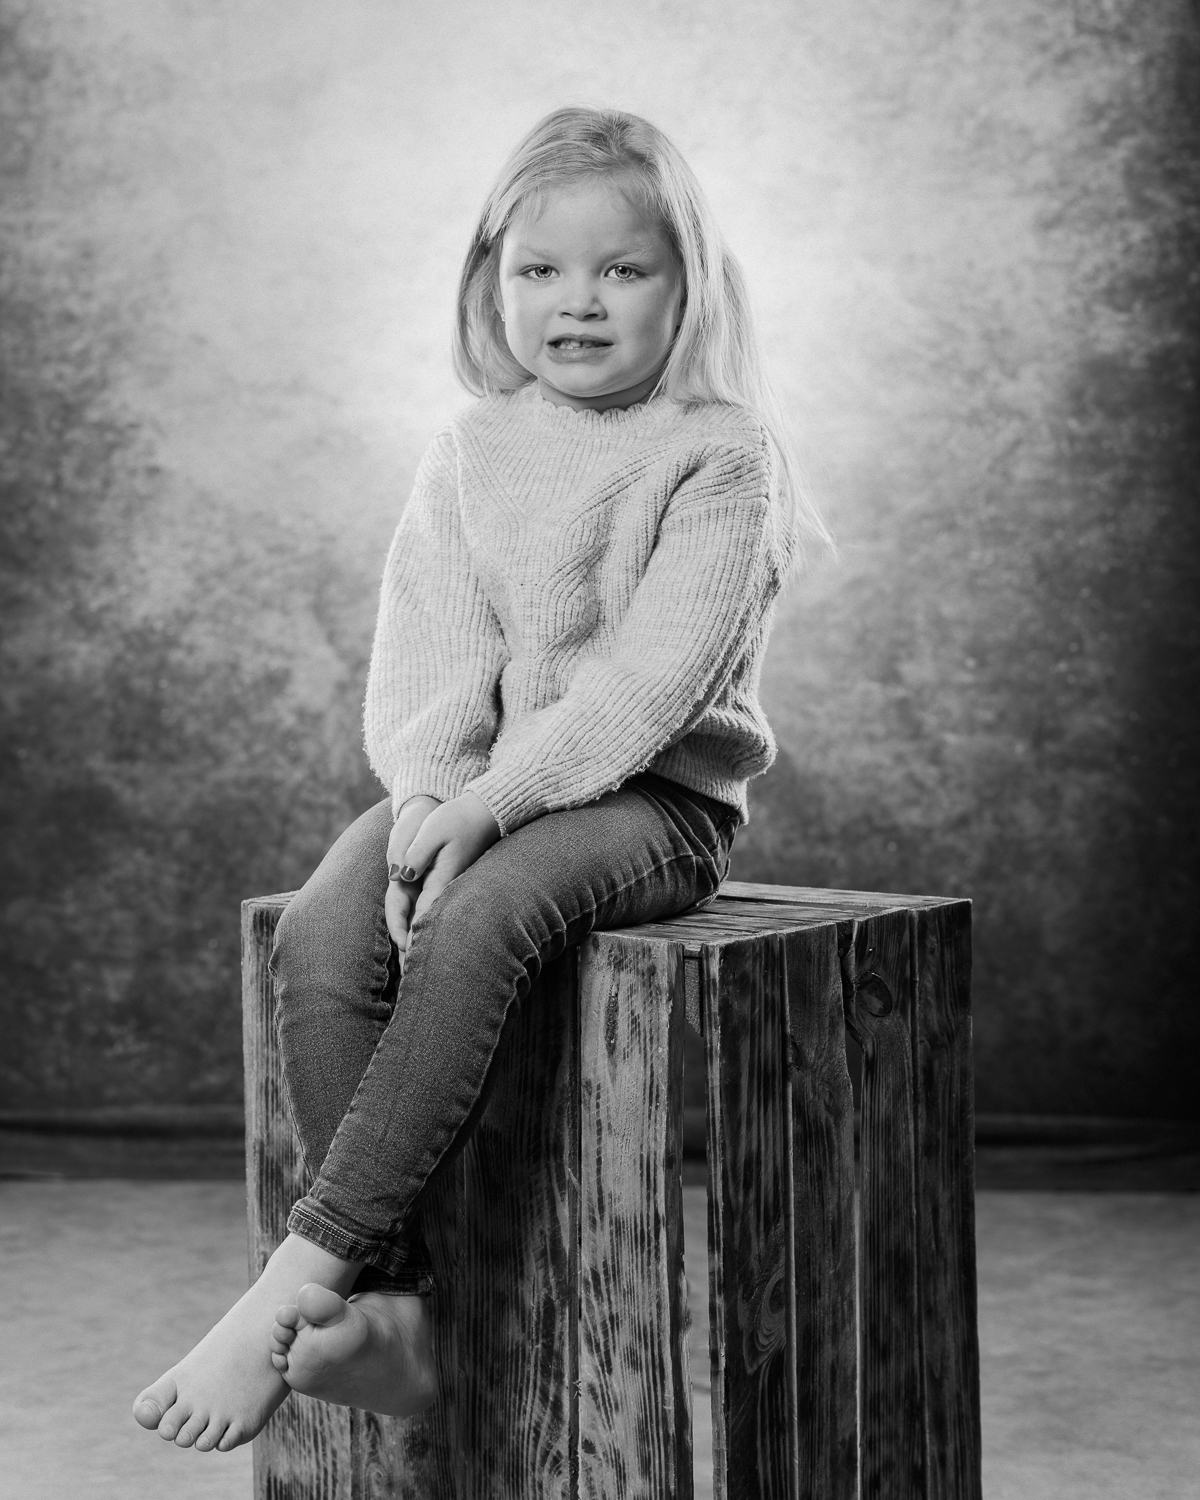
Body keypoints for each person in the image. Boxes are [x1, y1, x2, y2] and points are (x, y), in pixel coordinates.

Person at [132, 104, 829, 1454]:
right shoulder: (472, 447)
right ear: (489, 283)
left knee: (479, 918)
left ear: (687, 285)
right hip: (471, 791)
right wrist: (426, 802)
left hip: (649, 802)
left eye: (623, 270)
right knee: (327, 931)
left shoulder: (723, 453)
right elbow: (432, 656)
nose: (579, 301)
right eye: (541, 270)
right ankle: (395, 1316)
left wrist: (491, 810)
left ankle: (299, 1272)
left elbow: (647, 687)